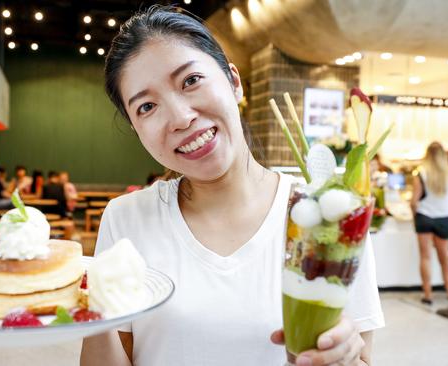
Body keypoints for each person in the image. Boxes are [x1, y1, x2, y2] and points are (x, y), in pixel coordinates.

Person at [81, 6, 384, 366]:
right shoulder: (126, 218)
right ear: (136, 129)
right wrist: (91, 305)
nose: (180, 118)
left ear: (233, 80)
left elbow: (363, 358)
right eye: (147, 106)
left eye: (190, 81)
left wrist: (342, 356)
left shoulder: (326, 212)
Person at [411, 142, 448, 305]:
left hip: (424, 217)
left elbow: (414, 201)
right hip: (445, 218)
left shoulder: (421, 173)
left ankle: (428, 295)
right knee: (445, 259)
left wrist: (414, 217)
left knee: (425, 257)